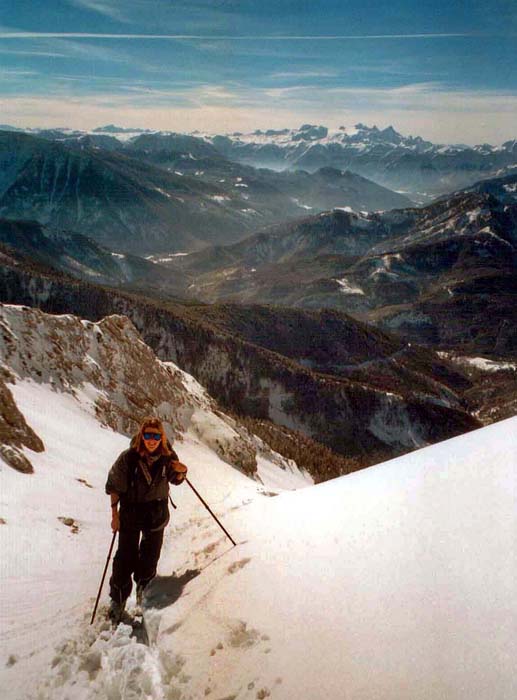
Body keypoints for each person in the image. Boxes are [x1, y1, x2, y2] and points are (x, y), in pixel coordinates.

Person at [105, 416, 188, 622]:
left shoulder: (168, 457)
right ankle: (118, 600)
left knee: (150, 556)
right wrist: (114, 515)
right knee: (125, 557)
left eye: (156, 436)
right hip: (131, 512)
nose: (152, 440)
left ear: (161, 437)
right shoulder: (129, 458)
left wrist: (181, 472)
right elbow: (114, 486)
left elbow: (175, 479)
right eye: (148, 435)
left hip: (156, 512)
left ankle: (145, 591)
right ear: (141, 436)